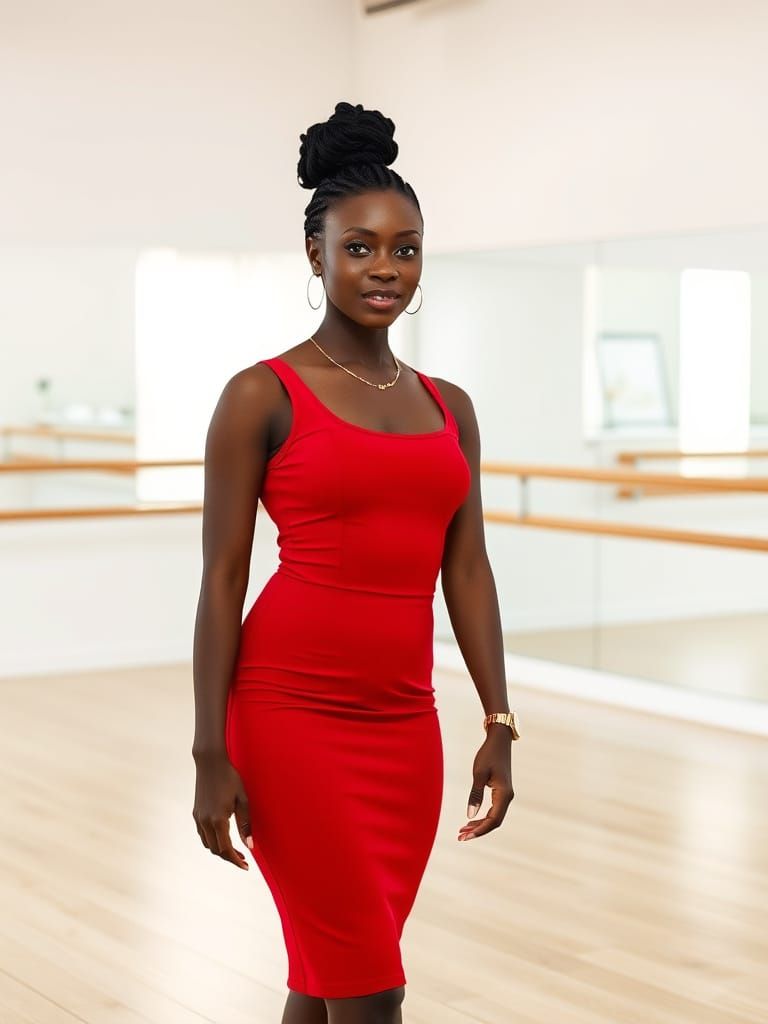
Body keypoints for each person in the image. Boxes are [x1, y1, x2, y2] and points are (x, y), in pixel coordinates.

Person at [191, 101, 518, 1024]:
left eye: (405, 248)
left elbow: (470, 571)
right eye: (361, 247)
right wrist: (210, 746)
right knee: (372, 989)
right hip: (289, 715)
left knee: (328, 976)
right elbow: (222, 580)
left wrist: (498, 718)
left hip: (404, 722)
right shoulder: (261, 394)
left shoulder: (450, 405)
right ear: (316, 254)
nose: (385, 269)